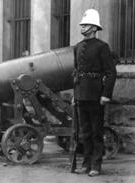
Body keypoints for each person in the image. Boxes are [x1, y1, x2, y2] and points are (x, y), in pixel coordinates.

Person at [72, 9, 117, 177]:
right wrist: (74, 96)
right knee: (85, 132)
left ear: (94, 28)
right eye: (82, 24)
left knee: (96, 132)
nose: (82, 27)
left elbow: (111, 72)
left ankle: (96, 166)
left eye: (86, 24)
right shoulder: (77, 47)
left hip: (96, 95)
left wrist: (106, 94)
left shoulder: (102, 47)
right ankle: (85, 164)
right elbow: (76, 73)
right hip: (81, 95)